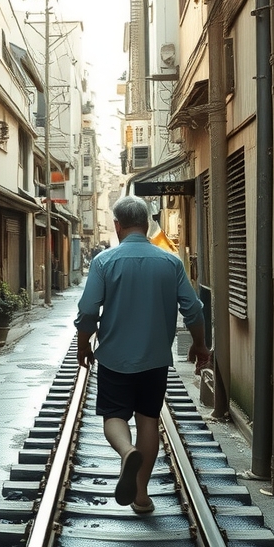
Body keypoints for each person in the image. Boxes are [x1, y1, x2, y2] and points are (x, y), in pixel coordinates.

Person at [75, 195, 211, 514]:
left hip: (114, 358)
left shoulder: (104, 262)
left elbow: (87, 311)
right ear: (149, 223)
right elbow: (192, 309)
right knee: (148, 422)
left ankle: (125, 452)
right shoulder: (170, 262)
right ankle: (141, 496)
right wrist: (199, 345)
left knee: (114, 416)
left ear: (117, 225)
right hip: (155, 360)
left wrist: (84, 346)